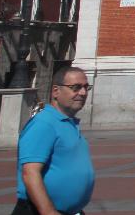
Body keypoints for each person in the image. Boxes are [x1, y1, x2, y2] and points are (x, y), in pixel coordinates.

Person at [14, 65, 96, 215]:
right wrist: (49, 211)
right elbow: (30, 172)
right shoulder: (44, 123)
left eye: (86, 87)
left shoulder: (67, 122)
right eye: (76, 87)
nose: (83, 93)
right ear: (56, 91)